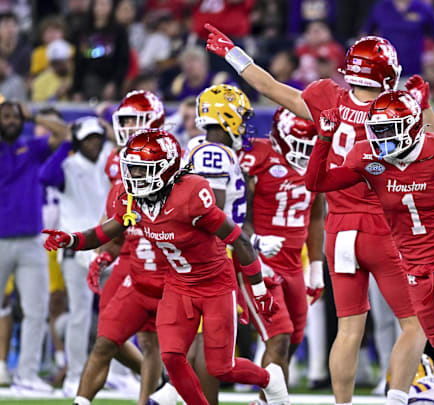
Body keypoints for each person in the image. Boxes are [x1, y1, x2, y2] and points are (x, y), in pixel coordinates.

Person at [205, 25, 432, 405]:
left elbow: (272, 88)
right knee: (414, 324)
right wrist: (421, 108)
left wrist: (232, 53)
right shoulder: (395, 110)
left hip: (337, 229)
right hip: (380, 227)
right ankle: (396, 399)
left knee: (348, 330)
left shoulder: (329, 97)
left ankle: (342, 404)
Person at [42, 129, 290, 405]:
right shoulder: (133, 198)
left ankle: (270, 379)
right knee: (171, 358)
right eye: (132, 169)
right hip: (178, 284)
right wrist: (71, 239)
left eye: (141, 169)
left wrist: (259, 293)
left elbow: (241, 242)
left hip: (215, 284)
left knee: (221, 367)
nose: (134, 177)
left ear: (165, 169)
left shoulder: (191, 195)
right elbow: (102, 233)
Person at [305, 89, 434, 405]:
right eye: (377, 130)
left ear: (412, 126)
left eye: (388, 129)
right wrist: (324, 140)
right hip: (414, 267)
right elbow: (316, 184)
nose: (380, 138)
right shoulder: (366, 157)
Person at [75, 92, 175, 405]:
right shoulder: (114, 158)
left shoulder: (170, 153)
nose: (129, 126)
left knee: (150, 338)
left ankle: (148, 397)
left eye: (136, 119)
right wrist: (105, 249)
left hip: (162, 254)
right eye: (125, 120)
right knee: (108, 333)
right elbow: (116, 210)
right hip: (131, 249)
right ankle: (156, 382)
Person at [187, 83, 279, 405]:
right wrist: (249, 240)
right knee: (207, 342)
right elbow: (210, 215)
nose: (244, 122)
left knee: (205, 340)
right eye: (240, 115)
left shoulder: (208, 149)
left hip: (210, 252)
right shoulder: (212, 153)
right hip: (210, 254)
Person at [238, 107, 326, 402]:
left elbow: (316, 215)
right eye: (298, 145)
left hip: (292, 264)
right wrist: (256, 242)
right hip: (259, 261)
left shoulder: (316, 158)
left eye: (308, 146)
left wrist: (315, 268)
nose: (304, 153)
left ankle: (264, 402)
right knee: (280, 337)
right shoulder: (257, 155)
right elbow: (234, 209)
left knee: (292, 339)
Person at [38, 116, 113, 397]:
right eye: (88, 139)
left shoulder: (110, 160)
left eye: (97, 138)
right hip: (76, 248)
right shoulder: (67, 165)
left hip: (108, 246)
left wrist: (107, 127)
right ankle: (75, 375)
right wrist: (65, 144)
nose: (94, 142)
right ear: (78, 142)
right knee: (79, 315)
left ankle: (117, 374)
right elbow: (44, 177)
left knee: (119, 314)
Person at [0, 101, 67, 393]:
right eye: (6, 116)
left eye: (15, 116)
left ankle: (26, 374)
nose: (12, 120)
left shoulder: (32, 147)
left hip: (30, 240)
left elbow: (65, 134)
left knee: (36, 309)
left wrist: (34, 115)